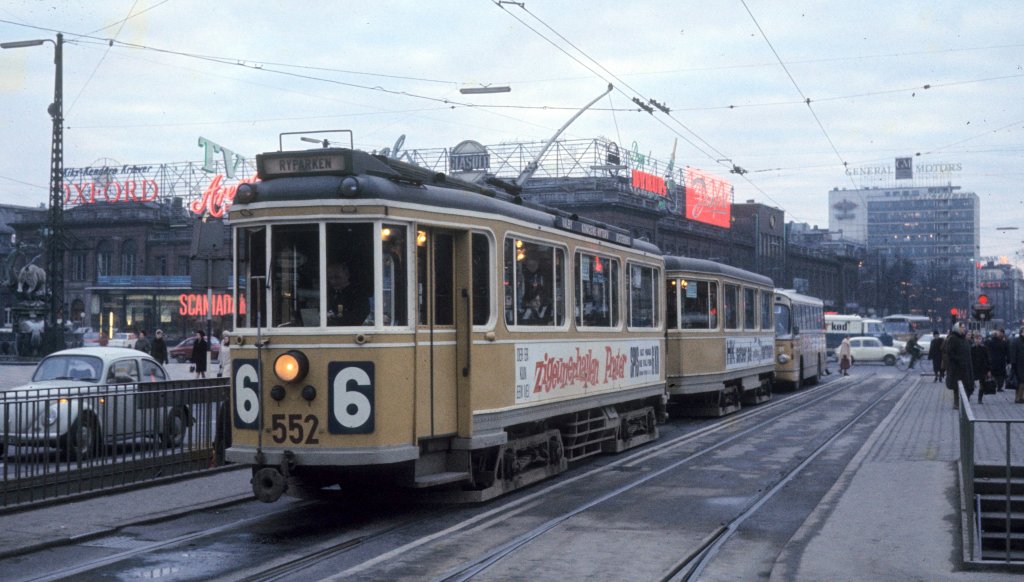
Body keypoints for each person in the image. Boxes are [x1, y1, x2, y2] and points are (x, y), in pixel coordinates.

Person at [326, 262, 369, 326]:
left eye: (337, 277)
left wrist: (334, 317)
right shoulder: (329, 294)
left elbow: (358, 317)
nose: (333, 281)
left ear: (347, 274)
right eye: (330, 278)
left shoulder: (358, 294)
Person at [944, 323, 973, 409]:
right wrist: (959, 360)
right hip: (957, 368)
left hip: (966, 366)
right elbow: (950, 353)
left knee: (967, 385)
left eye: (964, 327)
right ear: (958, 328)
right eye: (962, 327)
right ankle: (957, 403)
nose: (964, 329)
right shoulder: (953, 339)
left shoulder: (964, 339)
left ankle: (964, 403)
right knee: (957, 387)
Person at [970, 332, 991, 404]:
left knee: (982, 384)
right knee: (970, 384)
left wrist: (988, 370)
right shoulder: (971, 348)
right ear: (974, 340)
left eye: (979, 339)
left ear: (981, 339)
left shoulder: (984, 348)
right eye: (976, 339)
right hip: (974, 368)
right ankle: (968, 396)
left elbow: (988, 359)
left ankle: (980, 399)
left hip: (983, 369)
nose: (978, 340)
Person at [1009, 328, 1024, 404]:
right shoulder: (1016, 341)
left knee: (1021, 382)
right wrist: (1013, 363)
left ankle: (1020, 397)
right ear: (1021, 332)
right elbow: (1013, 353)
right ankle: (1018, 398)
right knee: (1020, 381)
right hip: (1018, 365)